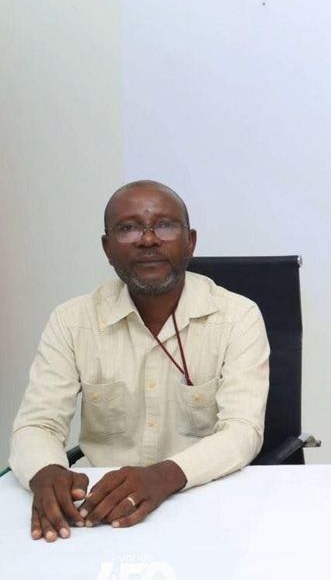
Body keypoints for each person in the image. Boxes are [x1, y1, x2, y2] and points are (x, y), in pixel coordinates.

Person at [8, 180, 269, 542]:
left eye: (165, 226)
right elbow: (37, 424)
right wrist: (46, 470)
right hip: (100, 512)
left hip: (207, 506)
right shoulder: (72, 321)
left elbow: (242, 431)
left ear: (190, 242)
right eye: (129, 228)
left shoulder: (237, 317)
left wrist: (163, 476)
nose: (148, 240)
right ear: (107, 248)